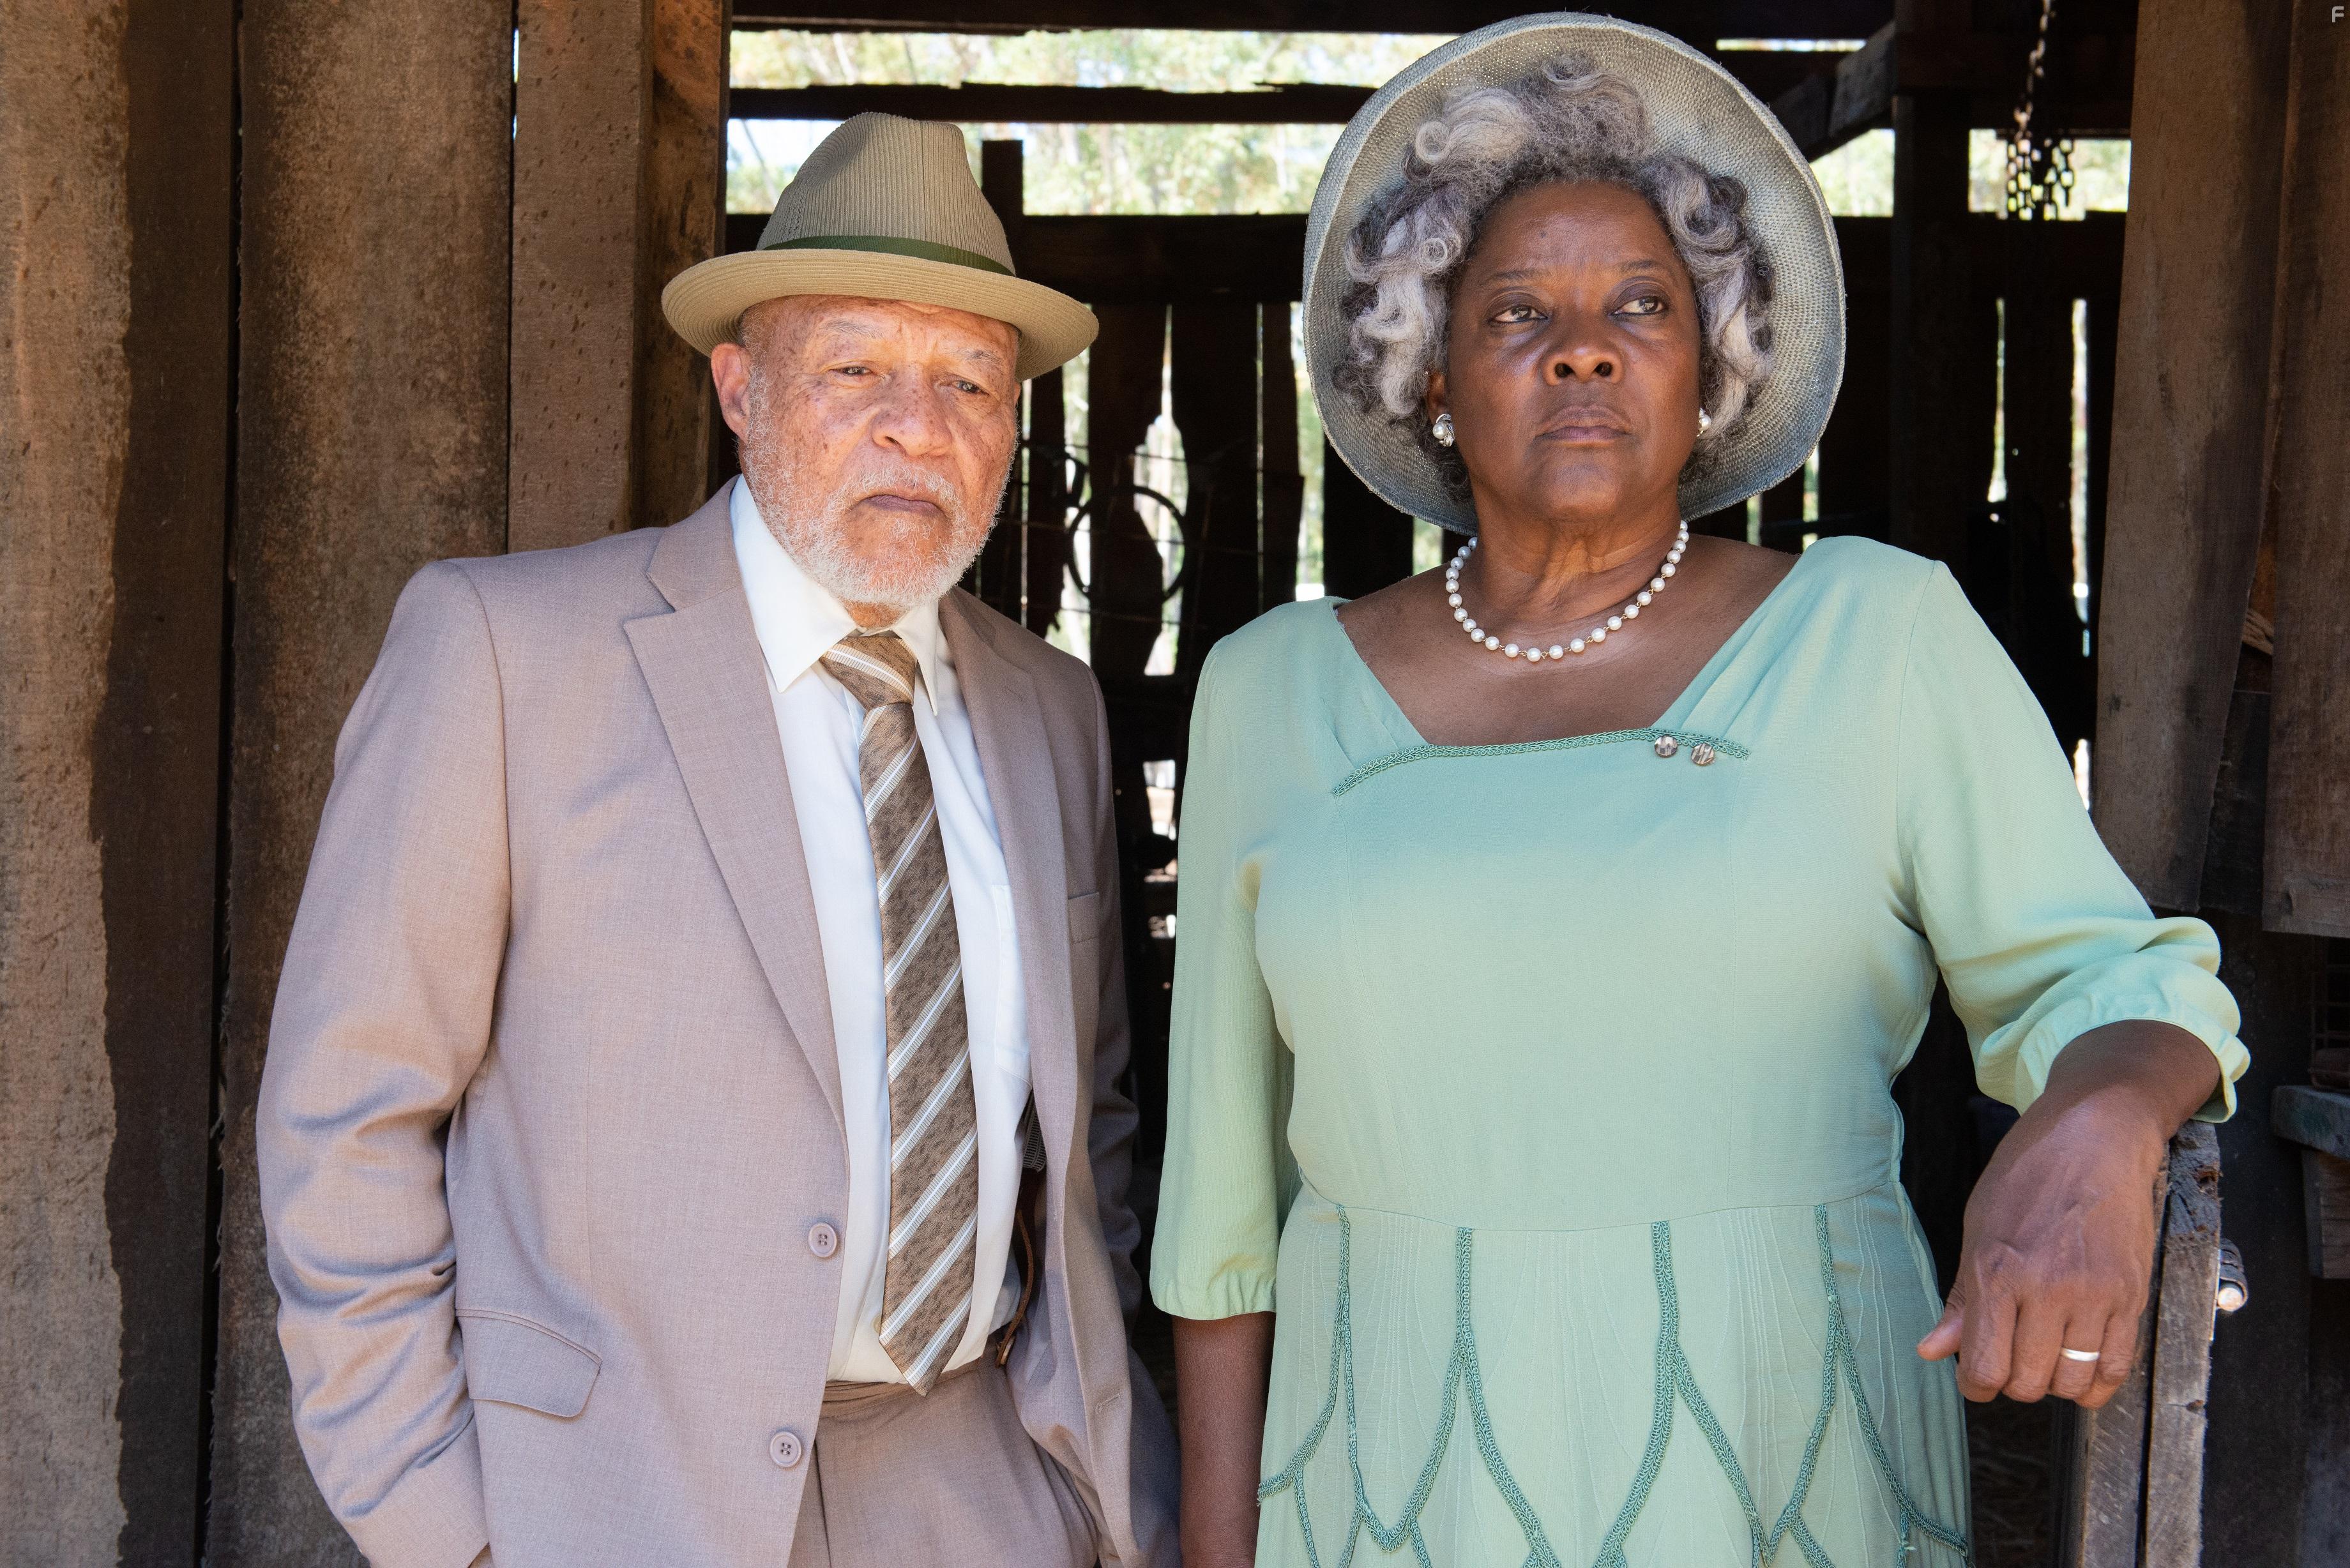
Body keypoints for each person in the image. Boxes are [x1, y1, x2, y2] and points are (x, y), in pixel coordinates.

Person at [1151, 18, 2247, 1567]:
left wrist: (2103, 1116)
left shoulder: (1876, 635)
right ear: (1430, 370)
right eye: (1515, 311)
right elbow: (1217, 1218)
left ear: (1714, 360)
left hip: (1781, 1440)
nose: (1580, 347)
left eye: (1642, 307)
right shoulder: (1269, 688)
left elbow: (2109, 978)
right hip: (1389, 1460)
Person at [259, 112, 1176, 1568]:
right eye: (856, 368)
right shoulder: (507, 653)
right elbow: (346, 1116)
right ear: (741, 389)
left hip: (980, 1483)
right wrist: (447, 1533)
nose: (914, 427)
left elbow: (1090, 1123)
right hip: (610, 1505)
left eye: (966, 382)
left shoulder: (1050, 710)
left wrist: (1083, 1496)